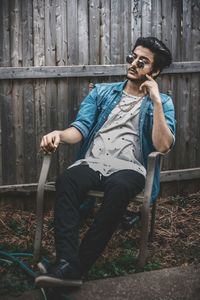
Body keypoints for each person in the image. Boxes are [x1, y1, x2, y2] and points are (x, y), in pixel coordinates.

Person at [35, 36, 176, 288]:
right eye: (131, 57)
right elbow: (80, 128)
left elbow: (163, 145)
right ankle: (69, 263)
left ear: (155, 71)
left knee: (120, 189)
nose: (133, 64)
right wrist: (59, 134)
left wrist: (155, 101)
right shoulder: (102, 92)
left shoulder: (163, 102)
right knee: (66, 180)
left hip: (130, 167)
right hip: (93, 162)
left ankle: (72, 267)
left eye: (142, 62)